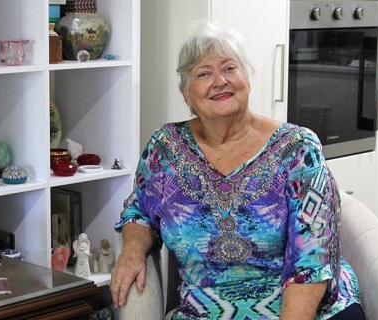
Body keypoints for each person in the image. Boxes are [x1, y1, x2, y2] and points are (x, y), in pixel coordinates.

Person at [110, 21, 364, 319]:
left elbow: (310, 259)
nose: (220, 81)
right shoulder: (166, 148)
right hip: (207, 310)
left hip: (304, 309)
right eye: (204, 74)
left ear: (247, 79)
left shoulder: (297, 149)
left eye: (230, 68)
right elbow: (138, 213)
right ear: (186, 95)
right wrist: (132, 250)